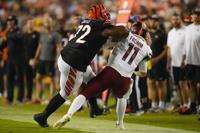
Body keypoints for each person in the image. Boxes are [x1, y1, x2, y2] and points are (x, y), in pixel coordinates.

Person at [33, 3, 129, 128]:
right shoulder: (100, 25)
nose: (107, 15)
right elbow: (121, 31)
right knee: (66, 94)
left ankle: (94, 109)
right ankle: (43, 116)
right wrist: (125, 31)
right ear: (100, 15)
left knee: (92, 79)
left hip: (70, 58)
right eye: (105, 13)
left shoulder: (86, 23)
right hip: (73, 63)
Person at [53, 21, 152, 130]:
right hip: (125, 79)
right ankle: (120, 123)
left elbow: (106, 46)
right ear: (144, 33)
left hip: (111, 72)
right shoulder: (147, 50)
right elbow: (143, 73)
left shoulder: (126, 35)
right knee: (122, 97)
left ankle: (69, 114)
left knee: (86, 92)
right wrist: (132, 71)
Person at [166, 13, 189, 114]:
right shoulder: (171, 32)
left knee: (183, 84)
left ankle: (188, 105)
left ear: (181, 19)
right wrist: (168, 62)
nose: (175, 21)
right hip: (174, 63)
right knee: (178, 85)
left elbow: (187, 47)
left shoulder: (186, 31)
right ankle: (182, 104)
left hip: (184, 62)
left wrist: (185, 59)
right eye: (173, 20)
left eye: (177, 19)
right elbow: (169, 48)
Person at [0, 15, 25, 104]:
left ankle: (19, 99)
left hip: (19, 57)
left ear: (15, 21)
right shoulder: (7, 32)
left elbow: (19, 38)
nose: (9, 22)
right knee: (9, 78)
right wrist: (2, 42)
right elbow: (5, 45)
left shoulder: (19, 31)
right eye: (8, 21)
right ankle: (9, 99)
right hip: (10, 58)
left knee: (19, 78)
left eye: (11, 20)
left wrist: (7, 36)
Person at [147, 15, 168, 112]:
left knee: (160, 83)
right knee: (151, 83)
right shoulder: (148, 34)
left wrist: (157, 59)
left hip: (160, 63)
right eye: (151, 20)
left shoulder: (163, 34)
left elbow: (166, 49)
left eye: (154, 20)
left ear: (158, 22)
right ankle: (154, 104)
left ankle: (162, 105)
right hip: (149, 62)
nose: (152, 22)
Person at [182, 7, 200, 114]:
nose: (196, 16)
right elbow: (185, 45)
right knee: (191, 83)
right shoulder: (188, 28)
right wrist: (183, 59)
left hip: (199, 62)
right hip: (189, 61)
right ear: (191, 16)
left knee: (199, 85)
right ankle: (193, 105)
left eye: (198, 15)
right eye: (194, 14)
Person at [23, 18, 40, 102]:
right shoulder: (24, 35)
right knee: (27, 78)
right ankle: (28, 96)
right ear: (26, 24)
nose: (30, 24)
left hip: (34, 59)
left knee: (36, 78)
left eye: (32, 23)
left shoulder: (36, 34)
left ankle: (37, 97)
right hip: (25, 59)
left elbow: (39, 47)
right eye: (29, 23)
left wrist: (36, 58)